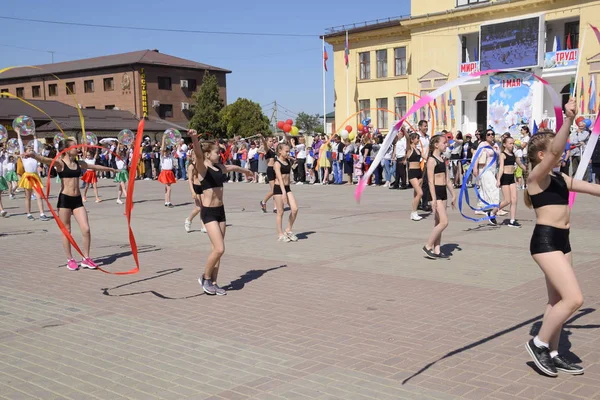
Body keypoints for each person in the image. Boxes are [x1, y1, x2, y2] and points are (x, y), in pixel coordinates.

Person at [524, 98, 587, 377]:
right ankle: (538, 344)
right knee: (574, 299)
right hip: (546, 242)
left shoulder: (561, 178)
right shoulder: (536, 179)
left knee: (557, 301)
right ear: (541, 156)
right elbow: (556, 150)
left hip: (564, 241)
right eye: (552, 153)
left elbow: (595, 188)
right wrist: (568, 120)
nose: (559, 155)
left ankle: (553, 352)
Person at [26, 139, 116, 270]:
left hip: (77, 200)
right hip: (65, 200)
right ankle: (70, 259)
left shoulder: (78, 163)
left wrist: (110, 169)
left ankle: (86, 258)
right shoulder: (60, 163)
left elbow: (94, 167)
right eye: (75, 146)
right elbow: (45, 160)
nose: (78, 148)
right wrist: (34, 155)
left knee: (86, 229)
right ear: (67, 150)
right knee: (67, 231)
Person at [189, 130, 252, 296]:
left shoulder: (219, 167)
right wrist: (195, 138)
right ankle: (205, 278)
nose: (220, 154)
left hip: (220, 212)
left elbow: (233, 167)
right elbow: (197, 152)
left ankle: (214, 283)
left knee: (216, 250)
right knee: (219, 249)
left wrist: (246, 172)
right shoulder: (202, 168)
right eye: (217, 152)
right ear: (208, 154)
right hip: (208, 213)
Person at [422, 135, 456, 259]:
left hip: (443, 192)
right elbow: (430, 181)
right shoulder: (431, 160)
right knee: (444, 222)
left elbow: (447, 179)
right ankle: (428, 246)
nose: (446, 145)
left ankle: (437, 249)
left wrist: (453, 194)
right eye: (444, 143)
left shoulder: (442, 159)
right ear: (436, 145)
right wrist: (434, 199)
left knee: (438, 222)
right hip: (435, 192)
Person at [16, 133, 49, 221]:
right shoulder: (24, 158)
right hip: (27, 176)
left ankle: (42, 213)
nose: (31, 150)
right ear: (25, 151)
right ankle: (29, 213)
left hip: (35, 176)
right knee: (28, 196)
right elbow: (20, 144)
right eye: (29, 149)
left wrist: (35, 137)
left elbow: (36, 147)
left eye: (31, 149)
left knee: (39, 196)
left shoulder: (35, 157)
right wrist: (18, 134)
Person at [497, 136, 526, 228]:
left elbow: (520, 164)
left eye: (513, 143)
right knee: (507, 200)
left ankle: (512, 221)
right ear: (505, 144)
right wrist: (498, 180)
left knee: (514, 200)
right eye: (510, 143)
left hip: (511, 178)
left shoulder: (514, 154)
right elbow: (501, 168)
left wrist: (528, 170)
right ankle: (492, 212)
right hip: (504, 178)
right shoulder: (502, 154)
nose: (512, 145)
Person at [273, 142, 299, 242]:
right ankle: (280, 234)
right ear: (280, 151)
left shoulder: (288, 160)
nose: (288, 153)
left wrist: (292, 158)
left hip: (287, 187)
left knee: (295, 209)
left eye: (289, 151)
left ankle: (288, 229)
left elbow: (294, 161)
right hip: (279, 188)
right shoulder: (277, 163)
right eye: (286, 151)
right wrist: (283, 193)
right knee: (280, 212)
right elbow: (279, 178)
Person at [473, 129, 500, 225]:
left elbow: (499, 156)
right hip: (484, 170)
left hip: (493, 170)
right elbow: (476, 157)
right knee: (494, 189)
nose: (491, 136)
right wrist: (475, 168)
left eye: (492, 134)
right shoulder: (482, 144)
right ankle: (494, 208)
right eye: (488, 134)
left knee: (485, 189)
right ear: (485, 136)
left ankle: (483, 208)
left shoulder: (495, 145)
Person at [184, 150, 207, 233]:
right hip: (196, 187)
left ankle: (203, 226)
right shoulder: (191, 166)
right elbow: (190, 180)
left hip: (203, 187)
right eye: (195, 155)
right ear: (192, 156)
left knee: (204, 207)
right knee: (198, 208)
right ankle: (189, 219)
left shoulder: (202, 164)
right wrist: (192, 192)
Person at [406, 133, 424, 221]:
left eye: (418, 138)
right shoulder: (409, 149)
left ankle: (414, 212)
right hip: (412, 172)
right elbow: (406, 138)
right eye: (416, 138)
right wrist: (405, 130)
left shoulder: (418, 150)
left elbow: (425, 157)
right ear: (412, 139)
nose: (418, 140)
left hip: (419, 172)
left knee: (416, 194)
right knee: (420, 193)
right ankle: (413, 212)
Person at [157, 135, 176, 207]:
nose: (166, 152)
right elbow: (162, 149)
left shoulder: (170, 156)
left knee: (167, 187)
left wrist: (173, 139)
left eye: (167, 151)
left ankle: (166, 201)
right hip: (165, 172)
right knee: (169, 188)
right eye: (165, 151)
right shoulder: (162, 157)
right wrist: (163, 139)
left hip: (170, 172)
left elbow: (174, 147)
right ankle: (168, 202)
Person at [417, 120, 432, 212]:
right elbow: (417, 150)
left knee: (426, 183)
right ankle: (418, 201)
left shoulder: (427, 137)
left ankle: (425, 202)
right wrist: (424, 157)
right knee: (420, 183)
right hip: (420, 162)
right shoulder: (417, 137)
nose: (426, 128)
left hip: (427, 161)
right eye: (424, 126)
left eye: (427, 126)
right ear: (419, 127)